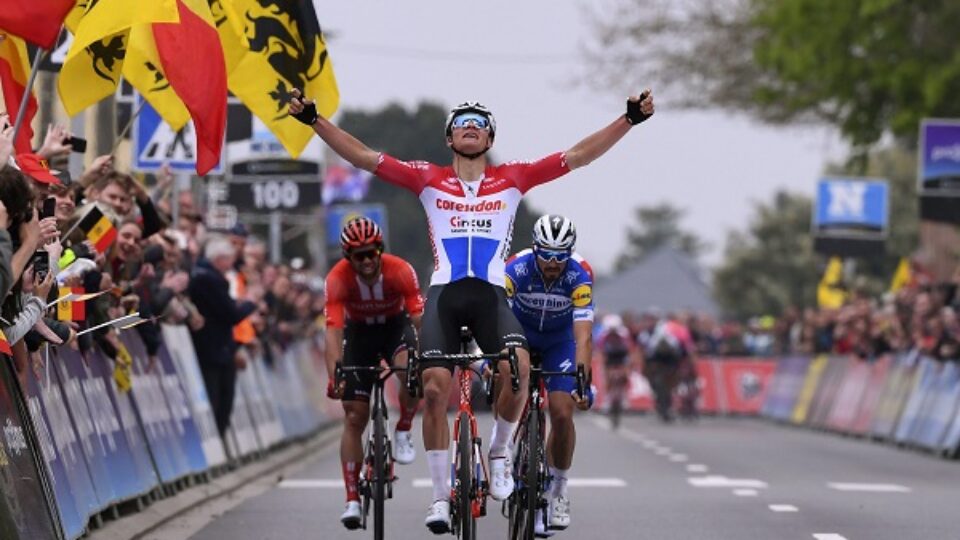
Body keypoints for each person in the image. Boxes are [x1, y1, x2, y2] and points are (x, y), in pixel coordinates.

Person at [289, 87, 654, 533]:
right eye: (461, 122)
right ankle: (440, 498)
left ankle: (499, 452)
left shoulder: (513, 178)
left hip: (490, 297)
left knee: (518, 368)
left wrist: (628, 120)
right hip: (444, 295)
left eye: (479, 124)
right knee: (434, 389)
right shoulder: (426, 178)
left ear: (490, 138)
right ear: (449, 138)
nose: (470, 127)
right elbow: (365, 157)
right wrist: (314, 120)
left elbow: (577, 156)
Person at [324, 217, 424, 529]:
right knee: (354, 416)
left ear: (380, 250)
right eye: (359, 256)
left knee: (411, 370)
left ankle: (404, 427)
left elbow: (419, 319)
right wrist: (335, 376)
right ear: (348, 257)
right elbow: (332, 332)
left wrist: (426, 357)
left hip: (395, 328)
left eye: (372, 253)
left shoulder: (400, 270)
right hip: (359, 335)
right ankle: (352, 498)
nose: (367, 261)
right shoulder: (337, 279)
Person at [504, 215, 594, 535]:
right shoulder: (515, 268)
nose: (553, 262)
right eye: (547, 254)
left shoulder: (580, 274)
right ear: (535, 248)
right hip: (521, 335)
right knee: (506, 376)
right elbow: (499, 319)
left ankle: (559, 490)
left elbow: (583, 335)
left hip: (560, 342)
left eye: (560, 255)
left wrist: (582, 380)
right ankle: (502, 448)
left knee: (562, 411)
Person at [188, 237, 258, 437]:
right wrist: (250, 303)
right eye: (229, 260)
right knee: (218, 396)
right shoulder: (209, 279)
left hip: (220, 347)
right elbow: (230, 314)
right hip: (213, 347)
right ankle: (215, 436)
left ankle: (219, 435)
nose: (231, 265)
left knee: (224, 395)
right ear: (219, 258)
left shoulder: (208, 276)